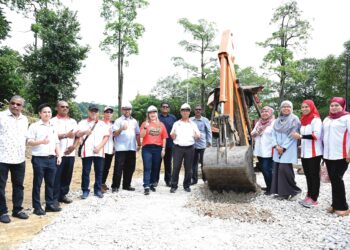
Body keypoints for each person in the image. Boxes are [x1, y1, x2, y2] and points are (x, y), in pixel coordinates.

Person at [27, 103, 62, 215]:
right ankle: (37, 207)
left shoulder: (53, 126)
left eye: (49, 112)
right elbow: (29, 142)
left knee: (50, 183)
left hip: (52, 158)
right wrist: (41, 141)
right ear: (40, 114)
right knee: (37, 183)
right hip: (39, 159)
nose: (47, 114)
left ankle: (49, 204)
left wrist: (59, 155)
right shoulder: (34, 126)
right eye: (45, 112)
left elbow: (56, 142)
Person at [0, 96, 29, 223]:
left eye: (18, 104)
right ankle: (2, 212)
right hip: (2, 157)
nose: (15, 106)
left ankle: (17, 210)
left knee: (19, 186)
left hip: (19, 158)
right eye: (13, 103)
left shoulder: (25, 119)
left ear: (22, 106)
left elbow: (25, 137)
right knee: (0, 187)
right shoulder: (1, 116)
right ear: (9, 104)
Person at [291, 100, 323, 208]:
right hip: (305, 153)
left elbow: (316, 136)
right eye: (303, 107)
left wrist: (301, 137)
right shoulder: (303, 120)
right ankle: (309, 195)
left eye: (307, 107)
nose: (304, 109)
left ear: (312, 107)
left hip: (314, 153)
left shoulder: (316, 120)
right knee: (308, 175)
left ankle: (314, 198)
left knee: (314, 176)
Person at [323, 97, 350, 216]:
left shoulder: (347, 118)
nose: (333, 107)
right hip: (328, 155)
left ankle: (343, 207)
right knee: (334, 180)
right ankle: (335, 204)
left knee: (337, 179)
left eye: (337, 105)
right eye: (332, 105)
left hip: (342, 154)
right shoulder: (327, 119)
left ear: (342, 106)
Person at [270, 100, 301, 200]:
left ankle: (295, 191)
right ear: (281, 109)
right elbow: (273, 134)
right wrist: (276, 145)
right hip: (277, 148)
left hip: (288, 148)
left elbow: (292, 135)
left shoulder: (294, 119)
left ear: (291, 108)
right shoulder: (277, 120)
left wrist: (283, 147)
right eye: (284, 107)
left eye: (288, 107)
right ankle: (282, 193)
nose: (286, 108)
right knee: (278, 170)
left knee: (285, 170)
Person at [76, 105, 109, 199]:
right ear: (88, 112)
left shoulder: (102, 124)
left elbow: (106, 136)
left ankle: (97, 190)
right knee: (86, 171)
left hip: (99, 151)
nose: (94, 113)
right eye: (92, 111)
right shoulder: (82, 123)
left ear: (98, 113)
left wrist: (99, 147)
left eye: (95, 111)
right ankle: (85, 190)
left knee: (99, 171)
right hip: (86, 151)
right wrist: (84, 132)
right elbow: (77, 134)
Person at [51, 101, 78, 205]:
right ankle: (54, 197)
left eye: (67, 107)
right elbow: (52, 136)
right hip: (57, 153)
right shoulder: (52, 121)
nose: (65, 108)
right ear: (57, 108)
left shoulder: (73, 121)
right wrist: (66, 135)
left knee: (67, 175)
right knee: (56, 176)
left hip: (70, 153)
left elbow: (77, 136)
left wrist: (74, 146)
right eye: (62, 106)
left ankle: (63, 195)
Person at [170, 103, 200, 193]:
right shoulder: (176, 123)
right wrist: (173, 135)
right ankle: (174, 186)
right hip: (178, 148)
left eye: (187, 110)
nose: (185, 112)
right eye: (183, 110)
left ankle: (186, 185)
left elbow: (198, 135)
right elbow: (172, 135)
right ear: (180, 112)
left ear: (189, 112)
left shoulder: (193, 124)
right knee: (175, 167)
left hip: (190, 148)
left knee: (189, 168)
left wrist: (197, 136)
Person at [112, 101, 141, 192]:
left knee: (130, 167)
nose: (127, 111)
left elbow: (137, 133)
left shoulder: (134, 121)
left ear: (131, 110)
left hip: (131, 148)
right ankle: (115, 186)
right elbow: (114, 134)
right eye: (125, 109)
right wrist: (121, 128)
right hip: (121, 148)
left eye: (129, 109)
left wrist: (139, 144)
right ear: (122, 110)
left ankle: (126, 185)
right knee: (118, 168)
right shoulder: (118, 121)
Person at [140, 105, 168, 195]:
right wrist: (145, 127)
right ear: (148, 114)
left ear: (157, 114)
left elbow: (164, 137)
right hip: (147, 148)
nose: (152, 114)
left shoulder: (161, 124)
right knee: (147, 167)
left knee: (156, 167)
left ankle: (152, 183)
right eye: (150, 112)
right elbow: (141, 136)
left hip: (158, 148)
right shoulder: (145, 123)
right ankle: (146, 186)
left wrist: (163, 149)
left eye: (154, 112)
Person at [251, 106, 275, 195]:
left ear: (271, 113)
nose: (264, 113)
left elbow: (275, 136)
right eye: (263, 111)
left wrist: (256, 133)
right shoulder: (259, 123)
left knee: (267, 169)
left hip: (269, 150)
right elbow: (252, 133)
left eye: (267, 111)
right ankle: (269, 186)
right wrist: (256, 132)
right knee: (264, 169)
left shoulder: (273, 123)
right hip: (259, 150)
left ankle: (272, 188)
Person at [190, 105, 212, 185]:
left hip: (203, 145)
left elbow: (209, 131)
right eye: (196, 109)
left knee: (204, 163)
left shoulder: (205, 120)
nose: (198, 111)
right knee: (193, 163)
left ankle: (205, 178)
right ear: (194, 110)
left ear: (201, 111)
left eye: (199, 109)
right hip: (193, 144)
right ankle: (194, 179)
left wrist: (209, 142)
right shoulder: (191, 120)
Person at [158, 102, 177, 187]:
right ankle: (155, 180)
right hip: (158, 144)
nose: (165, 108)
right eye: (163, 106)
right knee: (156, 163)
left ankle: (168, 180)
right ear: (161, 108)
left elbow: (176, 129)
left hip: (170, 144)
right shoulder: (157, 117)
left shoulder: (173, 118)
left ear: (169, 108)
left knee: (168, 163)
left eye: (167, 106)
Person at [101, 106, 115, 193]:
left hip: (110, 149)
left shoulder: (113, 125)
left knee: (107, 168)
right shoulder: (100, 124)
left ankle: (102, 183)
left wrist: (114, 147)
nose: (109, 114)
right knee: (101, 168)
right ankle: (99, 184)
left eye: (110, 112)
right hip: (102, 149)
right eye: (107, 112)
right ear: (104, 113)